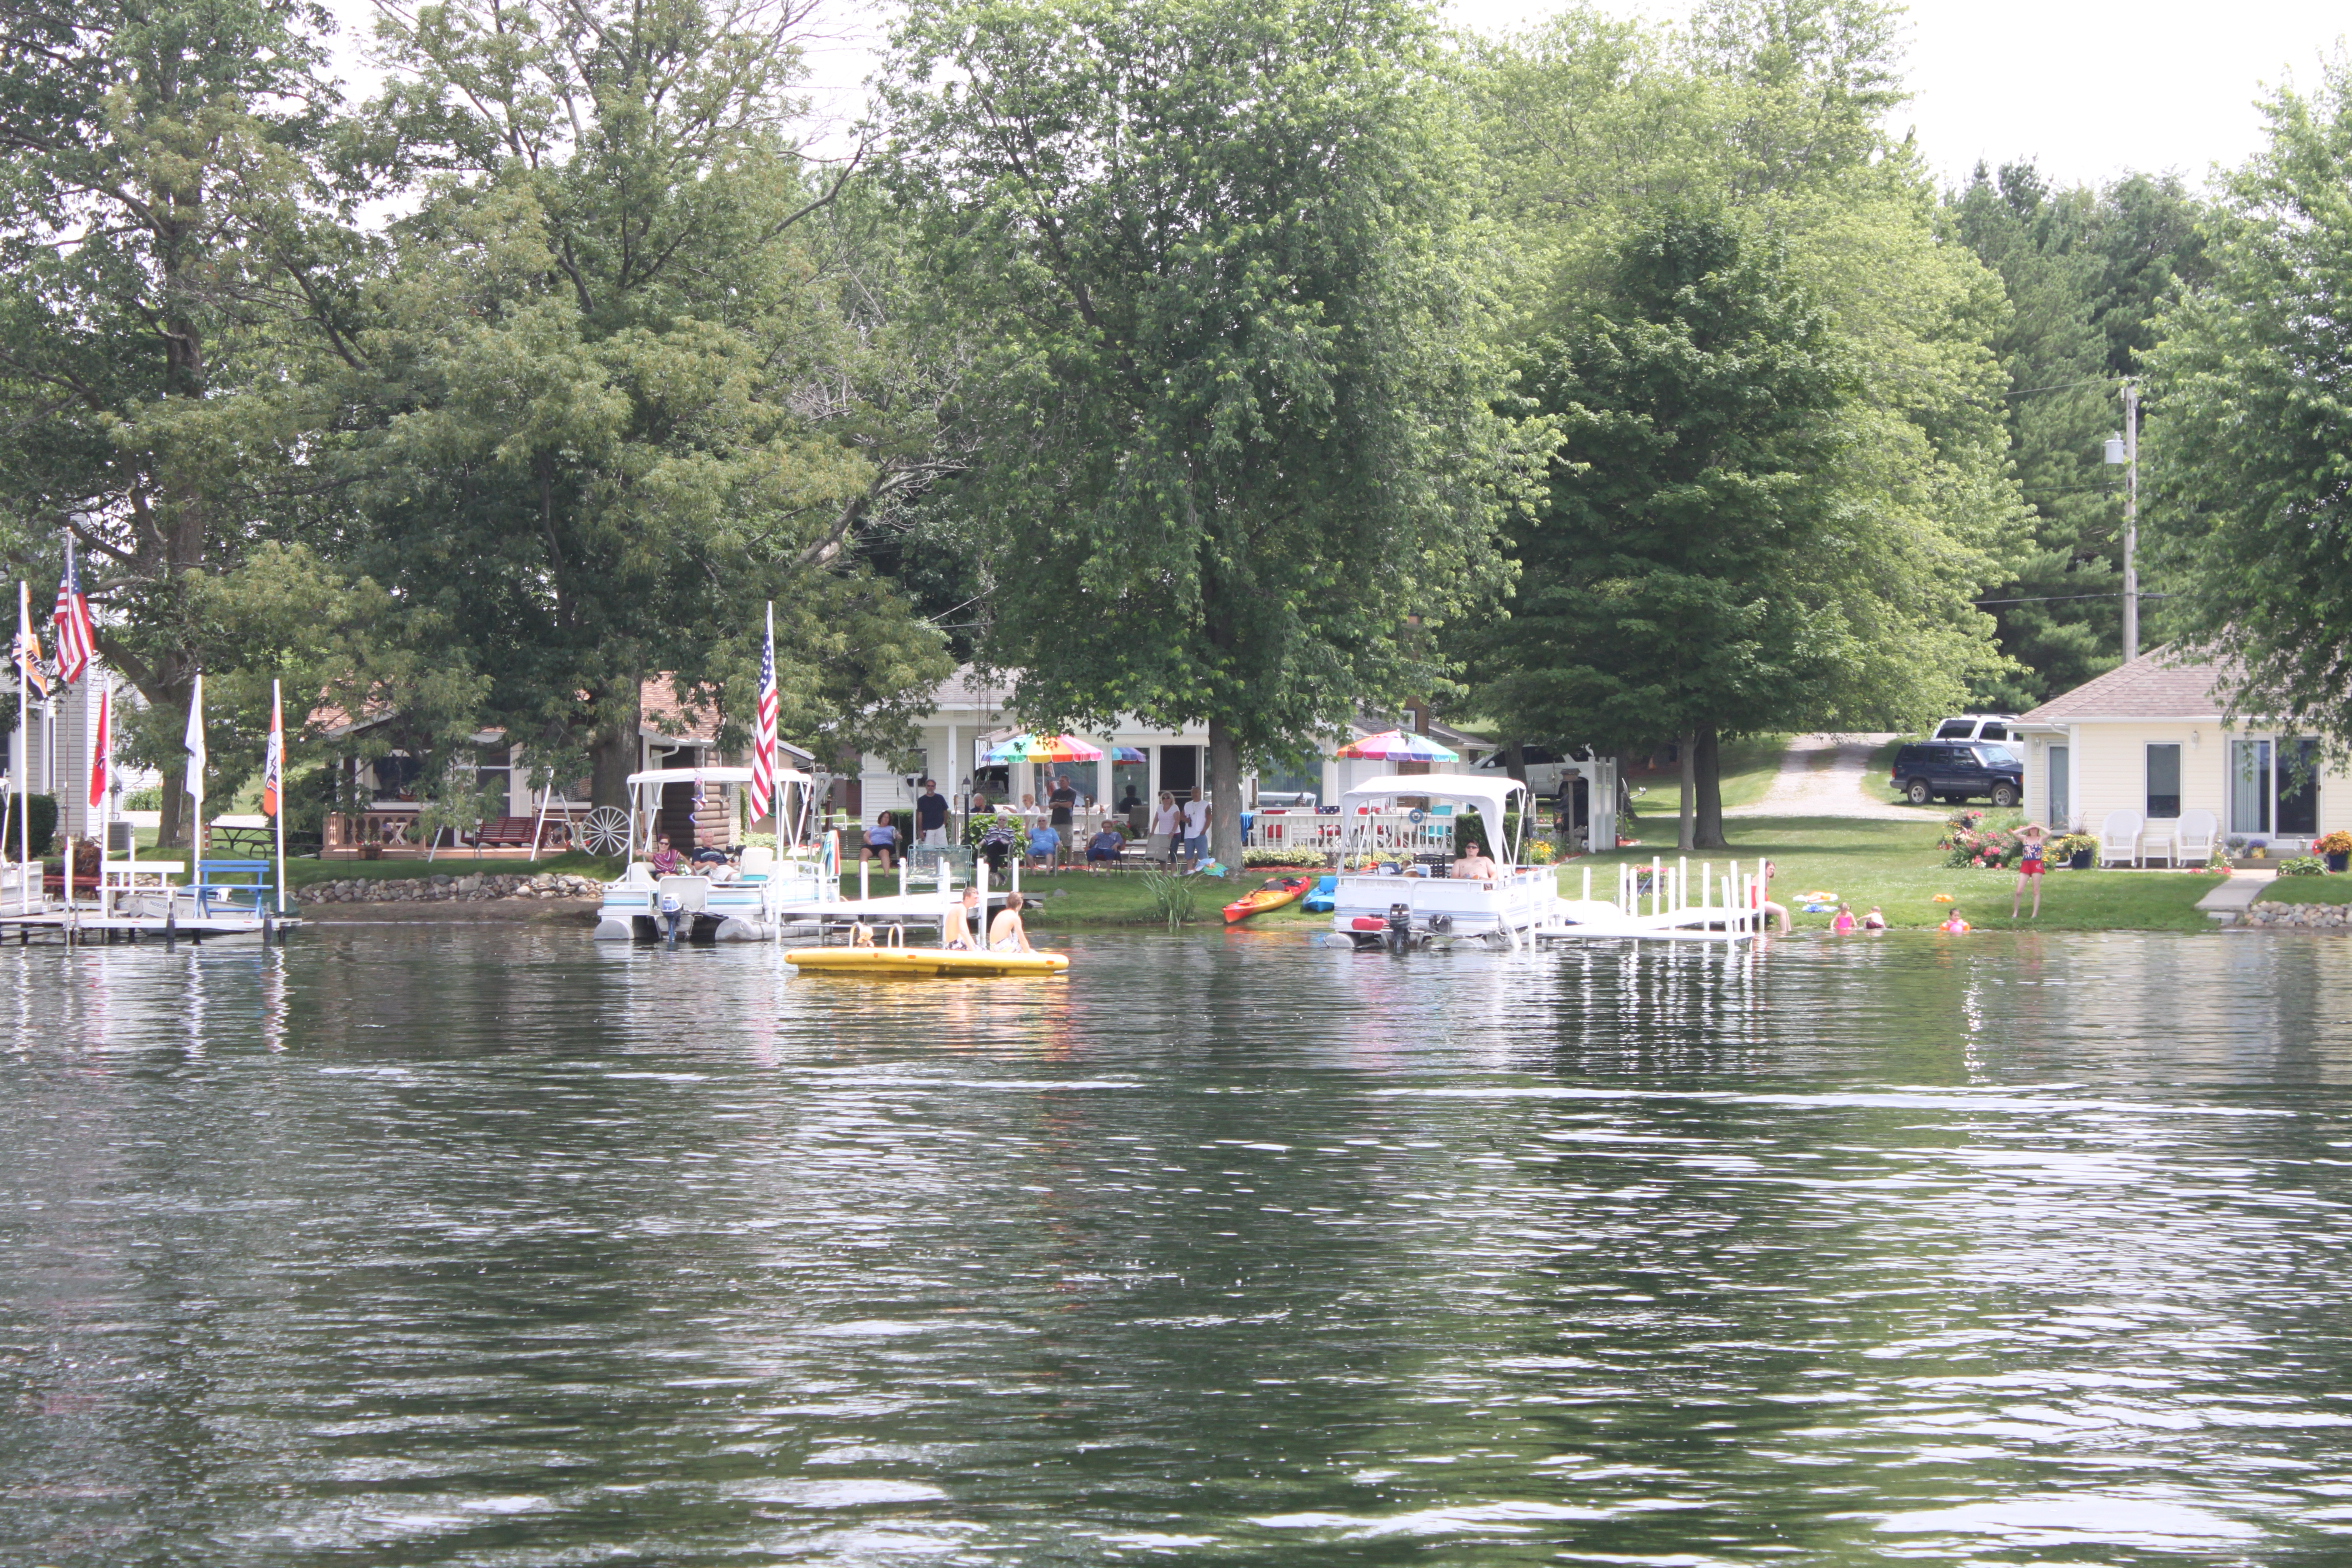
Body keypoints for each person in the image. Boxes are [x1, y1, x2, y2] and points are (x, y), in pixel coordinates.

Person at [2012, 822, 2048, 919]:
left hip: (2036, 864)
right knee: (2019, 891)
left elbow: (2049, 833)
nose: (2033, 830)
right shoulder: (2025, 838)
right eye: (2031, 828)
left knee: (2036, 890)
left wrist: (2039, 826)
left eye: (2035, 828)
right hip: (2026, 864)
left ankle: (2034, 914)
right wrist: (2027, 827)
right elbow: (2014, 833)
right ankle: (2015, 912)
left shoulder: (2040, 838)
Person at [1047, 775, 1077, 866]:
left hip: (1066, 821)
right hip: (1055, 821)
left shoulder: (1072, 792)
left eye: (1063, 781)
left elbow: (1069, 804)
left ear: (1068, 782)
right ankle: (1054, 865)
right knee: (1053, 843)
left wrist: (1057, 803)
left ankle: (1068, 865)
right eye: (1060, 781)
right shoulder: (1056, 792)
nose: (1061, 782)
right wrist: (1059, 804)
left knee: (1068, 844)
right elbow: (1050, 805)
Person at [914, 779, 951, 850]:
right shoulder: (921, 800)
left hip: (940, 827)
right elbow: (919, 815)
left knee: (942, 849)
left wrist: (944, 823)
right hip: (928, 829)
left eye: (932, 786)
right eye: (928, 786)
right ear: (926, 787)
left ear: (935, 787)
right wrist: (920, 830)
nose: (930, 787)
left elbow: (945, 811)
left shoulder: (940, 798)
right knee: (928, 850)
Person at [1757, 859, 1791, 934]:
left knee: (1784, 909)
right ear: (1765, 868)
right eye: (1770, 869)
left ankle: (1789, 931)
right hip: (1757, 903)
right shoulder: (1760, 877)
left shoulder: (1766, 878)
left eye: (1773, 869)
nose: (1772, 871)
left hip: (1763, 901)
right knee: (1782, 911)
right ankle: (1783, 933)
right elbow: (1757, 894)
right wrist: (1760, 904)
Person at [1182, 787, 1211, 870]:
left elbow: (1209, 817)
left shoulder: (1205, 804)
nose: (1194, 794)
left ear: (1200, 793)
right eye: (1193, 792)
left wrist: (1204, 830)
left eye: (1196, 792)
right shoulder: (1187, 804)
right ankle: (1189, 870)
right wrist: (1185, 819)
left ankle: (1205, 870)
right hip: (1188, 834)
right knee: (1188, 855)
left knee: (1202, 854)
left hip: (1200, 833)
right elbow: (1181, 815)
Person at [1151, 791, 1183, 864]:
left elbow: (1177, 820)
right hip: (1163, 834)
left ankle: (1173, 870)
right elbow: (1156, 819)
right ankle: (1164, 870)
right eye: (1163, 798)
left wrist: (1172, 832)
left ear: (1171, 799)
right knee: (1162, 854)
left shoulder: (1174, 807)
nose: (1165, 799)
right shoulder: (1159, 807)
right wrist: (1152, 831)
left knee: (1173, 853)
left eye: (1168, 797)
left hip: (1174, 834)